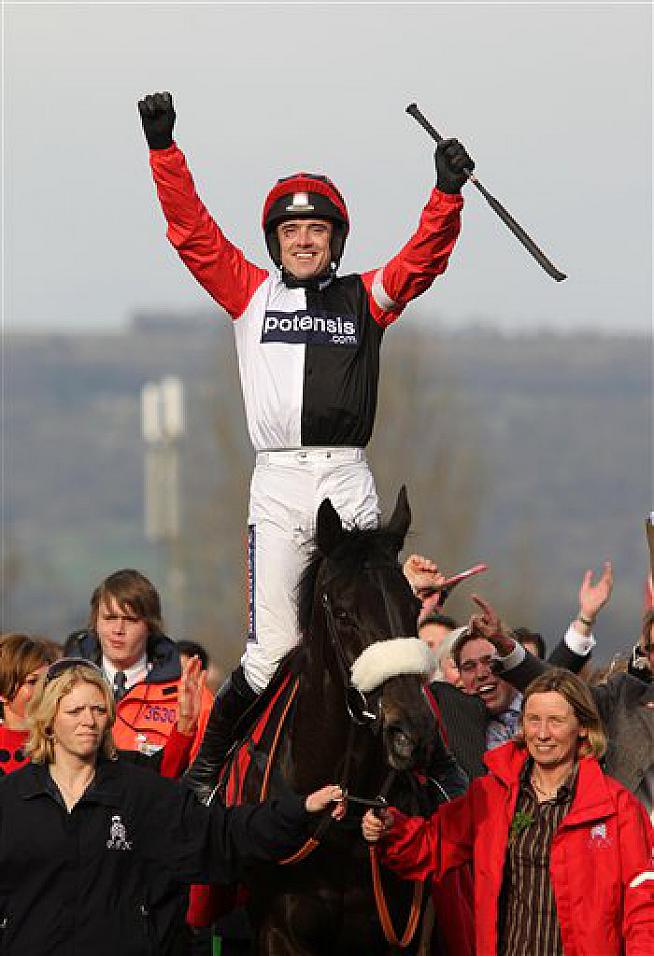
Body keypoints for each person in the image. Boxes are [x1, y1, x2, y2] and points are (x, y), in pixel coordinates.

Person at [137, 91, 475, 789]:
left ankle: (439, 767)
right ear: (276, 242)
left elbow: (421, 261)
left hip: (347, 477)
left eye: (316, 230)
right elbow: (193, 233)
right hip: (280, 483)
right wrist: (164, 151)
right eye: (292, 231)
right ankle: (207, 775)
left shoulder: (367, 297)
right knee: (270, 656)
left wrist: (446, 196)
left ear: (334, 241)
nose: (303, 240)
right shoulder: (248, 293)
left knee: (388, 645)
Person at [0, 659, 344, 956]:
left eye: (98, 710)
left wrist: (300, 810)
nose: (89, 721)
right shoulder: (10, 799)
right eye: (75, 711)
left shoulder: (142, 794)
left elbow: (222, 835)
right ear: (48, 720)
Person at [363, 669, 654, 956]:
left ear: (583, 727)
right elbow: (433, 845)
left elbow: (643, 902)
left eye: (555, 721)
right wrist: (390, 827)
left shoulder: (618, 807)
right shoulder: (491, 795)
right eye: (533, 720)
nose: (542, 734)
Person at [478, 570, 654, 820]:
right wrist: (505, 646)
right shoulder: (624, 696)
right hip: (631, 835)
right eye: (652, 647)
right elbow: (561, 688)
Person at [66, 569, 214, 760]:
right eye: (110, 618)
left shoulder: (190, 695)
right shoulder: (61, 686)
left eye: (130, 620)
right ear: (95, 622)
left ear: (150, 626)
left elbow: (204, 770)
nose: (118, 630)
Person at [0, 634, 59, 775]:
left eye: (47, 681)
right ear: (2, 692)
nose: (43, 689)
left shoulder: (61, 742)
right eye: (32, 682)